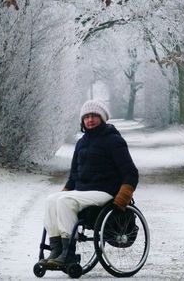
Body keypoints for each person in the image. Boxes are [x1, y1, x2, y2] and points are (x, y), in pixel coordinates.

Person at [40, 99, 139, 268]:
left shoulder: (113, 141)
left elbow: (131, 173)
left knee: (65, 201)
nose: (90, 120)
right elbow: (74, 176)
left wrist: (123, 198)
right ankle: (56, 251)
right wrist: (64, 191)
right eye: (86, 117)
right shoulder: (81, 143)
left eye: (94, 116)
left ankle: (68, 253)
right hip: (83, 192)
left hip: (105, 192)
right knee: (51, 200)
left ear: (102, 118)